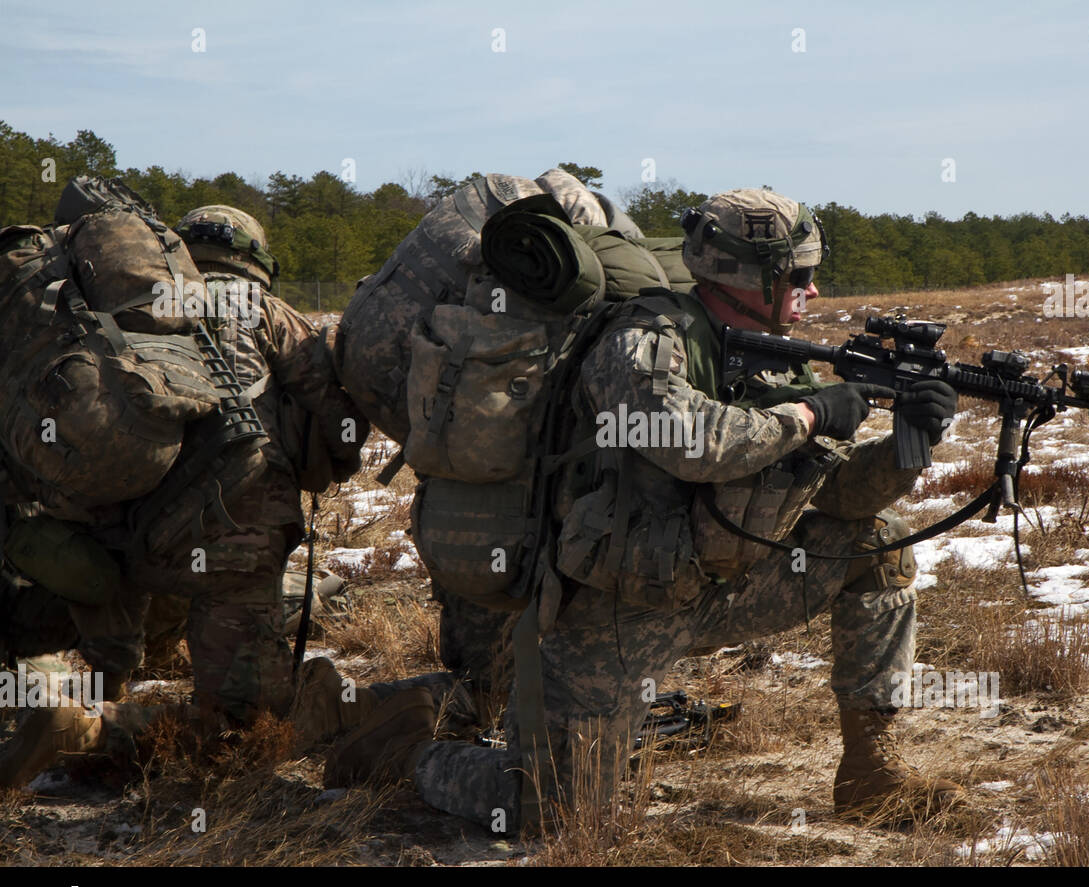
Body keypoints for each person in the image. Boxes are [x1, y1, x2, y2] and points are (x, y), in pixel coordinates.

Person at [313, 188, 964, 832]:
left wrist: (910, 443)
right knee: (557, 811)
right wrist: (810, 413)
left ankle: (871, 773)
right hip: (609, 615)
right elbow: (688, 442)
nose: (814, 291)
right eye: (800, 275)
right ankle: (402, 753)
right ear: (750, 275)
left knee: (879, 542)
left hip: (718, 588)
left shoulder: (773, 361)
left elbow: (839, 494)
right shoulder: (646, 339)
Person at [0, 205, 367, 788]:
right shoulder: (259, 307)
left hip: (114, 539)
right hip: (229, 534)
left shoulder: (125, 308)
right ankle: (90, 726)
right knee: (243, 732)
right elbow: (340, 418)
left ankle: (70, 679)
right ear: (257, 260)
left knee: (156, 586)